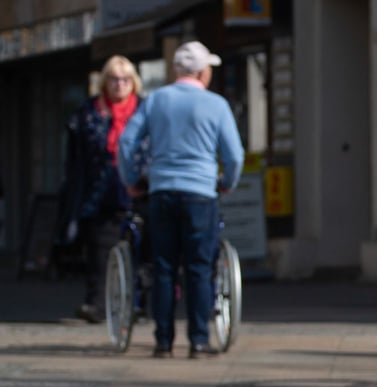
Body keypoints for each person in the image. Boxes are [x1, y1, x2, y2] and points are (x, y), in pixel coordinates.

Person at [118, 41, 244, 359]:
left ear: (177, 70)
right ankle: (198, 340)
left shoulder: (156, 100)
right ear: (203, 72)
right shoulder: (216, 105)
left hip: (161, 191)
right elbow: (234, 154)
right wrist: (226, 183)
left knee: (164, 267)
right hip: (201, 192)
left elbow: (126, 142)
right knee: (199, 269)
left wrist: (132, 180)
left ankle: (163, 341)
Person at [63, 55, 144, 324]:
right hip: (100, 192)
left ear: (133, 83)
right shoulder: (89, 113)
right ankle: (98, 304)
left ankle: (136, 304)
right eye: (113, 79)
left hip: (136, 190)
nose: (119, 85)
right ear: (104, 83)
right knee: (100, 250)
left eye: (124, 79)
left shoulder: (144, 111)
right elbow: (76, 160)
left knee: (139, 250)